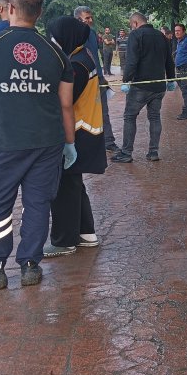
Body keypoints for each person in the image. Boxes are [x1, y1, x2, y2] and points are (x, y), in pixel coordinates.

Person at [0, 0, 76, 290]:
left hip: (4, 142)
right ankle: (30, 266)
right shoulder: (57, 53)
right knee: (38, 203)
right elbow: (65, 104)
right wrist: (70, 143)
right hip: (48, 143)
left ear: (11, 8)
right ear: (38, 14)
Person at [44, 16, 108, 257]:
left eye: (55, 37)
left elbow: (64, 102)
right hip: (85, 130)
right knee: (74, 185)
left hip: (76, 132)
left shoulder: (76, 64)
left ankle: (64, 241)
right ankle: (85, 233)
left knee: (63, 189)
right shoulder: (83, 57)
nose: (53, 41)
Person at [113, 12, 174, 163]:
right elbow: (169, 60)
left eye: (131, 25)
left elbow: (132, 61)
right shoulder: (162, 36)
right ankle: (153, 152)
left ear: (134, 23)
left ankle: (126, 153)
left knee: (129, 117)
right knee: (154, 117)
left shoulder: (135, 35)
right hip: (159, 86)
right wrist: (171, 79)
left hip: (140, 85)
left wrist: (126, 80)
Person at [74, 6, 119, 152]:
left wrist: (101, 76)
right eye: (87, 18)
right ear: (78, 19)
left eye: (90, 17)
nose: (90, 20)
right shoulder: (71, 34)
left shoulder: (92, 34)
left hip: (97, 80)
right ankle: (79, 143)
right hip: (81, 81)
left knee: (103, 111)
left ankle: (108, 141)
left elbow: (94, 56)